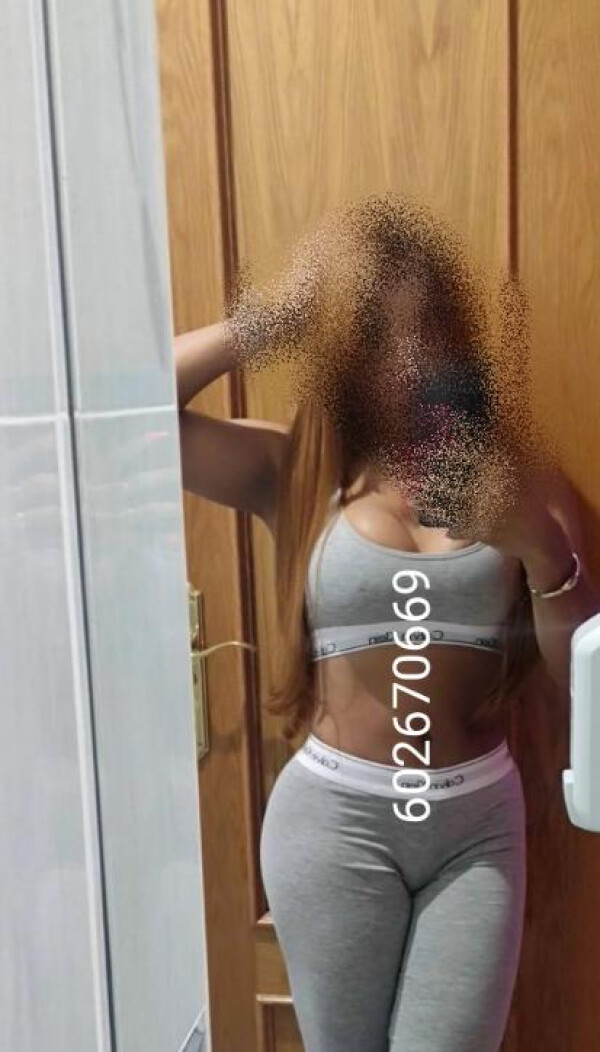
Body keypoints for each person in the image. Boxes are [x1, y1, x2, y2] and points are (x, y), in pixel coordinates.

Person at [175, 197, 599, 1052]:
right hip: (334, 819)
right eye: (378, 336)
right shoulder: (296, 472)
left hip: (475, 828)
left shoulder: (522, 478)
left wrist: (542, 552)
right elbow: (125, 416)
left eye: (428, 332)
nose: (408, 358)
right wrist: (273, 317)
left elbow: (580, 678)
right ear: (346, 354)